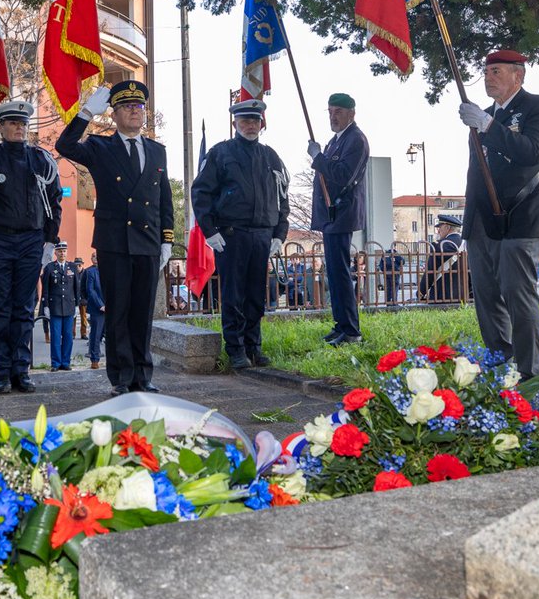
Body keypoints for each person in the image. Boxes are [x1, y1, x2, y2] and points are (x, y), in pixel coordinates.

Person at [56, 81, 173, 395]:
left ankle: (143, 376)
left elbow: (164, 200)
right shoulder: (100, 146)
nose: (135, 112)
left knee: (143, 311)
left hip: (148, 241)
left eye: (139, 107)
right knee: (118, 310)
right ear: (115, 112)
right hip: (114, 241)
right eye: (127, 107)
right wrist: (85, 113)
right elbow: (64, 146)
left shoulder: (157, 150)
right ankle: (122, 378)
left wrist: (167, 239)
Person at [458, 49, 539, 380]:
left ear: (519, 75)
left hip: (520, 215)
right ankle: (500, 364)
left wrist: (488, 126)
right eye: (486, 72)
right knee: (487, 298)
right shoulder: (483, 116)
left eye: (496, 71)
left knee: (518, 296)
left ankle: (530, 374)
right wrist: (467, 224)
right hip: (482, 221)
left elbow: (533, 153)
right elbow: (475, 171)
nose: (488, 77)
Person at [0, 100, 63, 394]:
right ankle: (1, 371)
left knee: (24, 309)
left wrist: (51, 241)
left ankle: (21, 370)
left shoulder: (42, 161)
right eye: (13, 123)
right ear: (1, 127)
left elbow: (54, 204)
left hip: (31, 241)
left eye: (23, 124)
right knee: (0, 310)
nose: (19, 128)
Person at [191, 98, 290, 369]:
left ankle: (253, 346)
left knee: (257, 295)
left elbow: (282, 199)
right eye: (245, 120)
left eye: (255, 120)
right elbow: (201, 193)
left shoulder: (271, 157)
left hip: (262, 235)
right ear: (235, 123)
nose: (250, 125)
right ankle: (235, 348)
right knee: (234, 295)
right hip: (231, 236)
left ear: (262, 123)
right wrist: (209, 230)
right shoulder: (221, 153)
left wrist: (280, 234)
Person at [307, 93, 370, 346]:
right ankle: (341, 324)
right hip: (332, 215)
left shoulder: (356, 140)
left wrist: (317, 158)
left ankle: (351, 331)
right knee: (333, 272)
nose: (333, 116)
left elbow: (342, 175)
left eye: (339, 112)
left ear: (351, 114)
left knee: (341, 272)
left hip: (342, 213)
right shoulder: (337, 140)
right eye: (330, 111)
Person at [41, 242, 79, 371]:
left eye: (64, 251)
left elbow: (76, 288)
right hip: (55, 307)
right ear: (55, 253)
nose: (62, 253)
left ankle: (66, 362)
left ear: (66, 252)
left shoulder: (72, 267)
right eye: (60, 251)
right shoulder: (50, 268)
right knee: (56, 336)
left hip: (69, 306)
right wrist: (45, 306)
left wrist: (77, 305)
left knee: (68, 336)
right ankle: (56, 363)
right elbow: (45, 288)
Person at [417, 214, 465, 304]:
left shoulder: (439, 246)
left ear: (447, 227)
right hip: (463, 295)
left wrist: (420, 292)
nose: (438, 231)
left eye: (440, 227)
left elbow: (430, 271)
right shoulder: (466, 245)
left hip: (441, 296)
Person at [83, 252, 105, 368]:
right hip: (98, 308)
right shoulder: (90, 272)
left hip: (111, 306)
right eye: (94, 256)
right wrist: (100, 305)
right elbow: (90, 290)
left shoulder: (110, 271)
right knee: (96, 334)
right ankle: (95, 359)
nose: (96, 258)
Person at [73, 257, 90, 339]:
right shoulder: (72, 273)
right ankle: (72, 334)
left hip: (83, 299)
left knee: (83, 317)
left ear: (82, 265)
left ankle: (83, 333)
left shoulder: (85, 273)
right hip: (74, 299)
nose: (78, 267)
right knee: (73, 317)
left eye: (79, 265)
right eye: (76, 265)